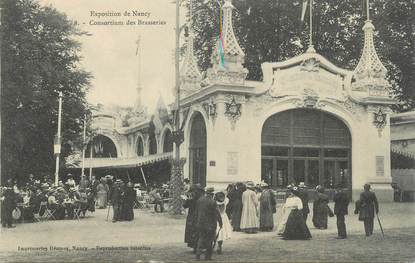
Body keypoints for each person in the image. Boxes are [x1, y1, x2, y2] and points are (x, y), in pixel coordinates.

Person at [195, 187, 222, 261]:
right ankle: (208, 256)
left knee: (201, 238)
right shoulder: (212, 202)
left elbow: (196, 212)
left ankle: (198, 254)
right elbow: (217, 213)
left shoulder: (200, 200)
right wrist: (220, 222)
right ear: (212, 194)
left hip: (200, 223)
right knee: (209, 240)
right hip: (210, 224)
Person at [182, 184, 203, 253]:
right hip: (200, 216)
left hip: (192, 217)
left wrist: (186, 199)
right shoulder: (201, 198)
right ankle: (199, 246)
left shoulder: (191, 198)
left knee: (192, 231)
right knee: (199, 231)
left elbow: (184, 205)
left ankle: (194, 246)